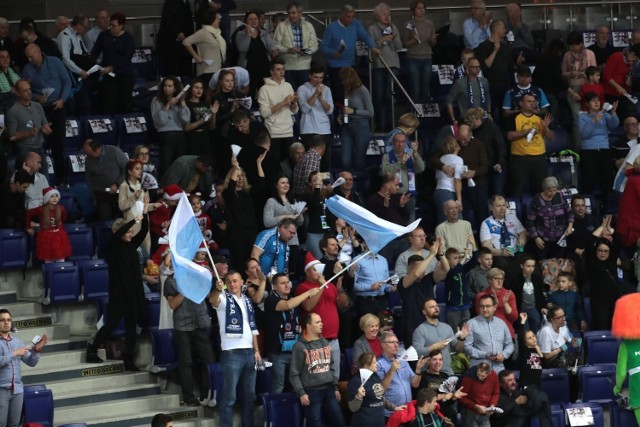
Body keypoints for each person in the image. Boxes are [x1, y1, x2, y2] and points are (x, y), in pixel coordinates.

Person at [86, 213, 149, 371]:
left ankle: (129, 360)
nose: (130, 234)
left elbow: (143, 231)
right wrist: (134, 220)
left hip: (134, 292)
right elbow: (122, 232)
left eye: (130, 232)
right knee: (112, 323)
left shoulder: (131, 245)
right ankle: (92, 350)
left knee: (131, 328)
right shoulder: (112, 246)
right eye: (127, 232)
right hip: (119, 293)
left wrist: (145, 215)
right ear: (119, 233)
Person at [209, 271, 260, 427]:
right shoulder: (224, 298)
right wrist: (217, 290)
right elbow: (213, 300)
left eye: (235, 281)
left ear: (242, 282)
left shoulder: (247, 300)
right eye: (229, 281)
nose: (232, 284)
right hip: (232, 354)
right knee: (229, 398)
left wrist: (256, 350)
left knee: (250, 396)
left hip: (250, 353)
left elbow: (253, 327)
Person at [163, 258, 215, 406]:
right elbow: (172, 304)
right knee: (186, 362)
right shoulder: (170, 282)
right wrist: (185, 289)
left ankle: (206, 394)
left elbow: (208, 297)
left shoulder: (198, 277)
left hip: (200, 322)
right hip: (183, 326)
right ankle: (188, 397)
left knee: (209, 360)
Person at [21, 43, 71, 183]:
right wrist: (36, 97)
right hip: (40, 109)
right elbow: (25, 90)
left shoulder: (55, 61)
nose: (30, 60)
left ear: (39, 52)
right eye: (27, 57)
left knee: (59, 143)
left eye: (31, 56)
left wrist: (62, 99)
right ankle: (42, 179)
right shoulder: (27, 69)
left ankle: (61, 179)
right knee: (40, 144)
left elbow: (67, 82)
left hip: (58, 106)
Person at [295, 253, 350, 381]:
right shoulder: (303, 287)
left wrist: (340, 290)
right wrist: (320, 286)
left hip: (333, 339)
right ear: (307, 272)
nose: (319, 272)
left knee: (335, 375)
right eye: (315, 269)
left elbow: (344, 305)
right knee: (318, 376)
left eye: (320, 269)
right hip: (315, 341)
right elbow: (308, 306)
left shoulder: (330, 285)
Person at [265, 273, 321, 393]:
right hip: (277, 352)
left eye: (288, 282)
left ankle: (293, 411)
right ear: (274, 287)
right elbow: (287, 305)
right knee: (278, 386)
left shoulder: (293, 298)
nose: (287, 285)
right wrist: (307, 293)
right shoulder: (271, 299)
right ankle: (276, 411)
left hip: (294, 350)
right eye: (282, 283)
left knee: (296, 385)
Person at [289, 313, 344, 427]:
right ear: (308, 325)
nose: (322, 324)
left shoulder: (324, 343)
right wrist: (301, 393)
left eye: (321, 321)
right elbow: (294, 374)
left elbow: (331, 366)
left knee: (339, 419)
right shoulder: (300, 347)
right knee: (315, 423)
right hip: (311, 391)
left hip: (329, 388)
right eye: (317, 322)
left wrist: (335, 387)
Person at [319, 4, 380, 103]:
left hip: (350, 65)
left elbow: (365, 36)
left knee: (352, 94)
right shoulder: (331, 28)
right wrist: (332, 53)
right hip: (335, 66)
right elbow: (323, 47)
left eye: (352, 17)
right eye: (348, 17)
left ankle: (349, 116)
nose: (350, 19)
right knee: (339, 95)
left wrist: (373, 47)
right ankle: (340, 117)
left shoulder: (356, 24)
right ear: (342, 15)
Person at [0, 308, 48, 427]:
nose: (6, 323)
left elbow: (31, 362)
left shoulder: (17, 342)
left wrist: (37, 350)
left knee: (15, 424)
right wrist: (15, 353)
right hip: (1, 390)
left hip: (17, 390)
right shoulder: (17, 347)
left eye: (9, 320)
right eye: (2, 320)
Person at [505, 94, 554, 196]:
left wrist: (546, 128)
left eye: (533, 101)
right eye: (529, 101)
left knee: (540, 190)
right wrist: (526, 132)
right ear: (521, 103)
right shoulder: (513, 117)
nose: (532, 104)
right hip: (520, 158)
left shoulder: (540, 118)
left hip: (539, 157)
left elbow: (551, 137)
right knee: (516, 189)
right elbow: (509, 136)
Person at [223, 154, 265, 270]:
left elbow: (261, 184)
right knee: (239, 262)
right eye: (238, 176)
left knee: (251, 262)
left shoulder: (248, 192)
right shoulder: (227, 193)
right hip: (236, 234)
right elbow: (231, 189)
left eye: (242, 175)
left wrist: (259, 164)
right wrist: (235, 168)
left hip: (251, 232)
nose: (240, 178)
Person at [474, 19, 521, 118]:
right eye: (503, 28)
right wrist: (495, 51)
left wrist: (518, 63)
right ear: (495, 29)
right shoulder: (483, 47)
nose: (505, 30)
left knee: (506, 115)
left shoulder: (506, 47)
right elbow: (485, 66)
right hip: (490, 86)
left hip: (505, 85)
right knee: (490, 114)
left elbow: (511, 68)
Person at [91, 12, 135, 115]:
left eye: (114, 26)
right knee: (108, 102)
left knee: (124, 103)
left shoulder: (128, 38)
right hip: (107, 74)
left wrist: (112, 67)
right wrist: (94, 66)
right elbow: (95, 52)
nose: (112, 28)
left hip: (123, 74)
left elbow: (127, 57)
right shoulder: (104, 35)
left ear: (121, 26)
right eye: (110, 25)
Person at [413, 298, 469, 376]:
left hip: (448, 372)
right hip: (429, 375)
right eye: (432, 307)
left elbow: (458, 349)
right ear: (424, 312)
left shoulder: (447, 327)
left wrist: (462, 339)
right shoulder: (419, 330)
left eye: (436, 306)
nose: (436, 308)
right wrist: (434, 346)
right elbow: (416, 353)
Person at [368, 2, 402, 132]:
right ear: (377, 16)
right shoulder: (372, 28)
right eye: (384, 14)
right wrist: (383, 39)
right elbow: (371, 46)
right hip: (379, 66)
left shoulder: (394, 27)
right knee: (379, 97)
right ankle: (380, 125)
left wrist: (393, 37)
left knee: (390, 97)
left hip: (393, 65)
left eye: (388, 14)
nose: (387, 16)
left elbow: (399, 46)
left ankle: (390, 124)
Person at [579, 92, 619, 198]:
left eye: (598, 100)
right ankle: (587, 206)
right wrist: (593, 121)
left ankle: (608, 210)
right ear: (587, 104)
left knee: (607, 180)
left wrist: (613, 113)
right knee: (589, 180)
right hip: (588, 151)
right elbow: (583, 134)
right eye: (593, 100)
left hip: (604, 150)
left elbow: (615, 125)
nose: (597, 102)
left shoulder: (605, 115)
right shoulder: (582, 117)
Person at [258, 57, 299, 161]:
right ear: (271, 71)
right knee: (274, 163)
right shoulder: (264, 89)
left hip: (288, 131)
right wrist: (283, 103)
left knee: (289, 162)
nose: (282, 72)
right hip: (273, 132)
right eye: (278, 69)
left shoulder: (288, 86)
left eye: (283, 69)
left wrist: (294, 104)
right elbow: (264, 113)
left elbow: (294, 110)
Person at [377, 331, 425, 418]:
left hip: (407, 411)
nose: (396, 345)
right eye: (392, 342)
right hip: (389, 413)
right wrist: (391, 371)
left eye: (397, 342)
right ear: (383, 345)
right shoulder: (378, 364)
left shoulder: (403, 360)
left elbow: (415, 384)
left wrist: (418, 370)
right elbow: (380, 390)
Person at [263, 174, 304, 273]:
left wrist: (300, 214)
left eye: (287, 183)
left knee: (291, 271)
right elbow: (267, 222)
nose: (286, 185)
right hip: (277, 241)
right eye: (283, 183)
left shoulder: (293, 201)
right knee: (279, 271)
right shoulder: (271, 201)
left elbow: (300, 223)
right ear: (276, 185)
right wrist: (284, 217)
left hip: (293, 241)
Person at [562, 31, 596, 149]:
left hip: (588, 88)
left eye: (574, 45)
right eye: (570, 46)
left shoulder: (590, 54)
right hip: (573, 88)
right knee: (578, 119)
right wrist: (572, 73)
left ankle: (591, 145)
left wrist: (584, 74)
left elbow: (594, 71)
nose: (572, 48)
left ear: (580, 43)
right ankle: (579, 148)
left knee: (590, 117)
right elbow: (563, 74)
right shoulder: (567, 55)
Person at [273, 2, 319, 90]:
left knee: (305, 94)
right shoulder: (281, 26)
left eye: (293, 13)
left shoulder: (309, 26)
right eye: (289, 13)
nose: (291, 15)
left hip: (305, 66)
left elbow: (315, 46)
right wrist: (288, 50)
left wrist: (304, 51)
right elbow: (275, 45)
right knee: (290, 94)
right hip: (287, 67)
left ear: (300, 13)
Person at [381, 132, 425, 223]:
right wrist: (400, 162)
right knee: (395, 220)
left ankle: (410, 236)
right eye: (397, 141)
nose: (400, 144)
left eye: (403, 142)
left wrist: (415, 153)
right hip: (393, 195)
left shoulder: (410, 157)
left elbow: (421, 169)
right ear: (393, 143)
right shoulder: (387, 157)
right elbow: (385, 171)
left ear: (406, 143)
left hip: (409, 195)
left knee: (410, 221)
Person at [526, 176, 574, 260]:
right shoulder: (536, 200)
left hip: (560, 238)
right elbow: (530, 222)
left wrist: (570, 225)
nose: (553, 193)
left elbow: (569, 213)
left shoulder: (560, 196)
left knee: (558, 262)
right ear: (544, 189)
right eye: (550, 191)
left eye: (555, 190)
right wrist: (536, 237)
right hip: (543, 239)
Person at [296, 64, 333, 171]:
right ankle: (311, 187)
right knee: (310, 162)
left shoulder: (327, 90)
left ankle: (324, 186)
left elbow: (330, 110)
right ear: (310, 76)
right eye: (316, 77)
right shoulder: (302, 89)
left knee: (325, 163)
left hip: (324, 130)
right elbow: (304, 109)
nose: (318, 80)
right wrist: (316, 94)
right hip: (308, 130)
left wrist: (321, 99)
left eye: (321, 77)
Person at [6, 80, 52, 165]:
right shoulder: (13, 110)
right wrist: (28, 133)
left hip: (39, 146)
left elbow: (45, 123)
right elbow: (12, 136)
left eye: (29, 89)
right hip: (24, 148)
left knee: (45, 177)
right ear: (18, 93)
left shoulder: (38, 106)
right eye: (25, 90)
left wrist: (46, 128)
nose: (29, 92)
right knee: (27, 176)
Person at [151, 76, 190, 175]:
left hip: (180, 134)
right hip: (165, 134)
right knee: (166, 165)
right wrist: (168, 104)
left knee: (180, 164)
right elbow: (160, 121)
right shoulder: (156, 100)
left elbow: (186, 120)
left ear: (175, 88)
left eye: (170, 86)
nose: (166, 88)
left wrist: (182, 102)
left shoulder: (180, 101)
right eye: (165, 86)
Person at [465, 294, 514, 372]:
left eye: (488, 306)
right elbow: (467, 347)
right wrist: (484, 354)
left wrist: (504, 355)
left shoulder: (501, 324)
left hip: (499, 370)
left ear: (494, 307)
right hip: (479, 371)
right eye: (482, 306)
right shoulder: (471, 324)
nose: (484, 309)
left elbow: (510, 344)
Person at [339, 66, 374, 172]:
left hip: (361, 126)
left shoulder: (362, 90)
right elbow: (346, 107)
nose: (342, 82)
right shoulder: (347, 90)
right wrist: (341, 115)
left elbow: (371, 112)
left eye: (344, 79)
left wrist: (353, 112)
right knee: (345, 161)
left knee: (359, 161)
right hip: (347, 125)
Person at [83, 138, 129, 220]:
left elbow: (128, 169)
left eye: (90, 155)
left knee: (124, 218)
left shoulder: (114, 151)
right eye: (87, 155)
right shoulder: (88, 159)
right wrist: (93, 195)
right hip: (101, 194)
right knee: (104, 219)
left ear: (97, 150)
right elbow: (89, 178)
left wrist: (117, 184)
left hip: (120, 192)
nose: (88, 157)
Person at [464, 107, 506, 195]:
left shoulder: (492, 128)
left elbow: (500, 146)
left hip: (494, 166)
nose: (469, 124)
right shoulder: (470, 131)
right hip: (480, 168)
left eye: (471, 122)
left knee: (497, 192)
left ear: (478, 119)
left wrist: (500, 162)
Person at [56, 15, 92, 115]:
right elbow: (65, 59)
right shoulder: (65, 36)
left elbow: (83, 53)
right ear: (79, 25)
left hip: (80, 74)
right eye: (85, 27)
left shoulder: (78, 36)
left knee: (85, 106)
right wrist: (79, 71)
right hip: (71, 75)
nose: (86, 30)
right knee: (73, 106)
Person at [25, 186, 72, 263]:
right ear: (46, 198)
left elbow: (63, 218)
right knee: (48, 259)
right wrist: (28, 226)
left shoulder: (61, 209)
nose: (54, 198)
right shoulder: (41, 209)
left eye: (56, 196)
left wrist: (60, 226)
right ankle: (49, 273)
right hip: (46, 236)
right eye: (52, 196)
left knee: (60, 258)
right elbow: (29, 214)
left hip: (58, 236)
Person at [479, 194, 526, 270]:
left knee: (527, 261)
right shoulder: (486, 223)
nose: (502, 208)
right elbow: (486, 247)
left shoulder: (512, 218)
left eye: (504, 205)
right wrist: (501, 252)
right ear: (491, 207)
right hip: (499, 255)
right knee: (504, 265)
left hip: (516, 252)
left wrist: (522, 239)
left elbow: (523, 233)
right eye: (499, 206)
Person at [402, 0, 437, 103]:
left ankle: (425, 115)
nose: (422, 10)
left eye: (423, 8)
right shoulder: (409, 24)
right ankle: (415, 114)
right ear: (413, 10)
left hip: (427, 58)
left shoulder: (430, 24)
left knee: (425, 88)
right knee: (415, 88)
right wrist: (414, 40)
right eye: (419, 8)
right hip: (413, 59)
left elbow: (433, 44)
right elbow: (404, 44)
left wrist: (432, 40)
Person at [348, 352, 394, 426]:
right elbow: (353, 408)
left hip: (379, 422)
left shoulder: (375, 376)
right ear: (367, 365)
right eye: (374, 362)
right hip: (365, 422)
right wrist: (359, 397)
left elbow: (380, 398)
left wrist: (395, 408)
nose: (377, 364)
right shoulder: (355, 381)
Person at [506, 255, 546, 333]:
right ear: (522, 266)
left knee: (537, 329)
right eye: (528, 266)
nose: (531, 269)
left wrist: (543, 306)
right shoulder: (516, 279)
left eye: (533, 266)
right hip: (522, 310)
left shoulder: (537, 278)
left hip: (534, 308)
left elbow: (540, 295)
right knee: (524, 331)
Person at [182, 9, 226, 82]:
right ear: (212, 19)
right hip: (207, 71)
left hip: (218, 69)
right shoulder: (203, 32)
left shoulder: (217, 33)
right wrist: (195, 56)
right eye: (218, 18)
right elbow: (186, 42)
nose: (220, 20)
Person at [475, 268, 518, 339]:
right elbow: (481, 318)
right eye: (496, 279)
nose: (500, 281)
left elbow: (514, 318)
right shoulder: (481, 296)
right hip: (489, 334)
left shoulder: (509, 294)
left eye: (502, 279)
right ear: (489, 280)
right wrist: (494, 306)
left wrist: (505, 303)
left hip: (506, 333)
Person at [446, 57, 490, 122]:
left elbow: (488, 98)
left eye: (478, 66)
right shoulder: (460, 83)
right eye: (474, 67)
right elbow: (449, 101)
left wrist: (489, 113)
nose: (477, 69)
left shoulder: (484, 81)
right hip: (467, 120)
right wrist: (453, 120)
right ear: (467, 69)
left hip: (483, 118)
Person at [157, 0, 193, 76]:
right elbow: (168, 19)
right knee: (172, 69)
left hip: (184, 42)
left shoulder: (186, 2)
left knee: (184, 69)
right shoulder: (171, 2)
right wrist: (178, 32)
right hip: (171, 42)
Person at [537, 304, 579, 368]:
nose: (563, 319)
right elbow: (546, 356)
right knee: (564, 365)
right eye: (560, 317)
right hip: (547, 362)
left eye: (564, 316)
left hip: (560, 356)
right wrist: (561, 348)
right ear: (552, 319)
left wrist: (572, 341)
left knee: (578, 361)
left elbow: (567, 338)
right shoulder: (545, 332)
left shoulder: (563, 325)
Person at [184, 79, 217, 159]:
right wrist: (203, 120)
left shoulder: (206, 104)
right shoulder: (186, 105)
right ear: (191, 89)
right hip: (193, 138)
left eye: (201, 88)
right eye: (196, 87)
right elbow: (187, 128)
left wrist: (213, 114)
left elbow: (212, 127)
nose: (199, 90)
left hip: (206, 137)